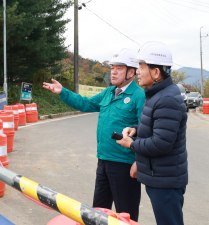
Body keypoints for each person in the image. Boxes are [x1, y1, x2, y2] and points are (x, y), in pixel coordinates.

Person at [43, 48, 145, 221]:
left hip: (124, 165)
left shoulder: (138, 95)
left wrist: (139, 161)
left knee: (125, 215)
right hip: (103, 161)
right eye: (112, 67)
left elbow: (145, 128)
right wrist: (63, 92)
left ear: (131, 72)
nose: (113, 71)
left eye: (119, 68)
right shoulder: (108, 93)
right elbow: (85, 104)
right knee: (98, 213)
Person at [116, 41, 188, 225]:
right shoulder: (157, 94)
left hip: (166, 182)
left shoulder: (167, 99)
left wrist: (131, 144)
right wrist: (137, 130)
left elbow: (161, 143)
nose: (137, 71)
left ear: (156, 73)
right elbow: (157, 126)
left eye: (141, 67)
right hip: (159, 176)